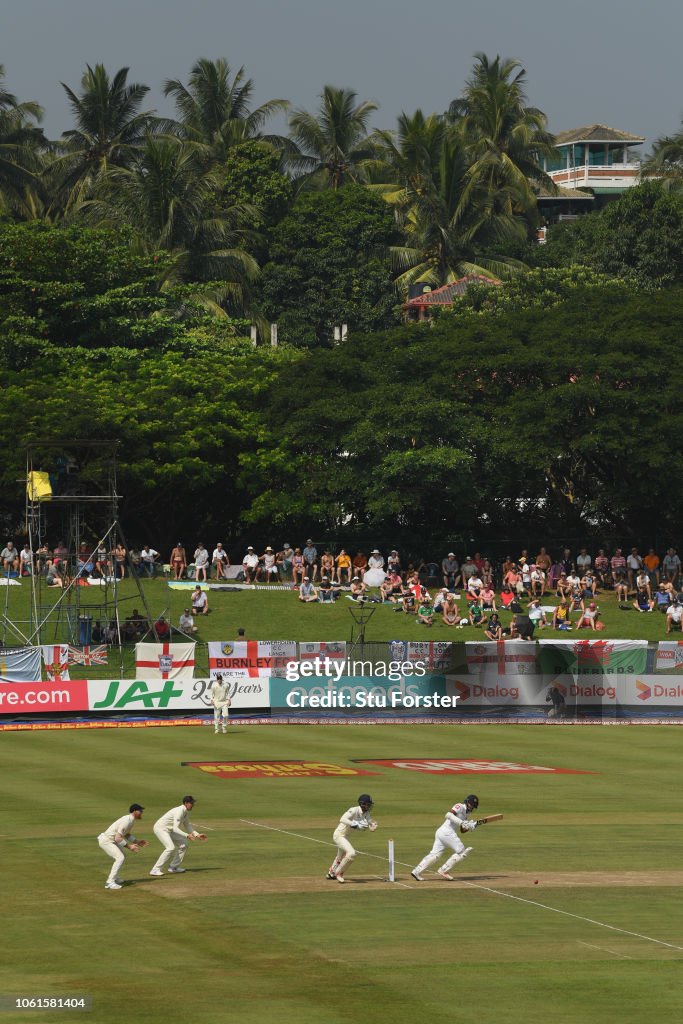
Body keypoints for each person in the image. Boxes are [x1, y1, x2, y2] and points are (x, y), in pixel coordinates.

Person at [411, 794, 479, 881]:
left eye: (473, 807)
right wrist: (461, 822)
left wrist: (471, 826)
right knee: (462, 851)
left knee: (435, 855)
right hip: (447, 832)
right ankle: (443, 870)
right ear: (467, 802)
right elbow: (448, 814)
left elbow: (462, 830)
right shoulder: (460, 806)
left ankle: (416, 871)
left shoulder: (466, 814)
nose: (472, 808)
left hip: (442, 833)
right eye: (471, 805)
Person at [149, 796, 207, 876]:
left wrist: (197, 835)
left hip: (170, 830)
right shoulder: (179, 811)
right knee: (170, 848)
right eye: (191, 803)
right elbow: (175, 828)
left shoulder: (185, 812)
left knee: (184, 844)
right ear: (186, 803)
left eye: (193, 803)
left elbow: (187, 825)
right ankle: (155, 870)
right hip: (161, 828)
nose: (193, 805)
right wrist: (187, 835)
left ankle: (173, 867)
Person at [326, 794, 377, 884]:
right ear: (362, 804)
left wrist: (372, 825)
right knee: (351, 854)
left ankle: (331, 873)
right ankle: (339, 873)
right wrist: (356, 825)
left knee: (340, 856)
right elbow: (342, 819)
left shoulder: (366, 813)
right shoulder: (353, 810)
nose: (369, 806)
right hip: (339, 835)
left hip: (345, 836)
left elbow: (369, 821)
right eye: (368, 804)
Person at [98, 803, 147, 890]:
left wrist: (137, 842)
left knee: (122, 856)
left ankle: (115, 878)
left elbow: (126, 835)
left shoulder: (131, 820)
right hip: (106, 841)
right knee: (120, 858)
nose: (141, 812)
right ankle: (110, 882)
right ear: (135, 811)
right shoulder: (127, 821)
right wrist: (129, 847)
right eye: (140, 811)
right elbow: (118, 838)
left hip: (111, 840)